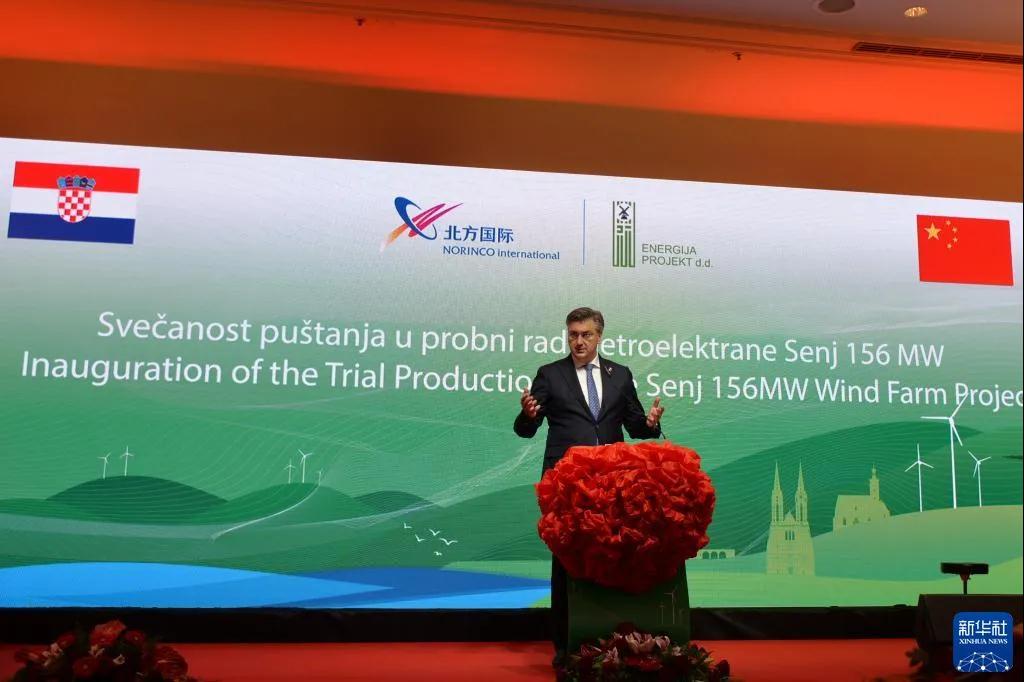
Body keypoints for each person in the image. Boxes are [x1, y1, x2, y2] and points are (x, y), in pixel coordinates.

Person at [513, 307, 664, 662]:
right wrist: (529, 414)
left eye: (586, 335)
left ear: (599, 336)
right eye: (573, 335)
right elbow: (525, 429)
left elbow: (635, 426)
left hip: (612, 483)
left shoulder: (620, 375)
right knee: (566, 560)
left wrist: (651, 423)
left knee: (610, 557)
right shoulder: (550, 374)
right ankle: (565, 645)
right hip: (566, 485)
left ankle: (608, 641)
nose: (578, 341)